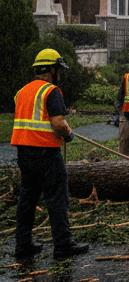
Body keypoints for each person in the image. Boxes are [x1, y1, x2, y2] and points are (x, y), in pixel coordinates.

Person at [11, 49, 90, 259]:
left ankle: (23, 244)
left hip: (24, 153)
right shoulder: (51, 91)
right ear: (52, 70)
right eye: (59, 70)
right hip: (46, 152)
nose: (60, 75)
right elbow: (57, 123)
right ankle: (63, 245)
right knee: (56, 197)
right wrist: (68, 134)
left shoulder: (22, 92)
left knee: (27, 198)